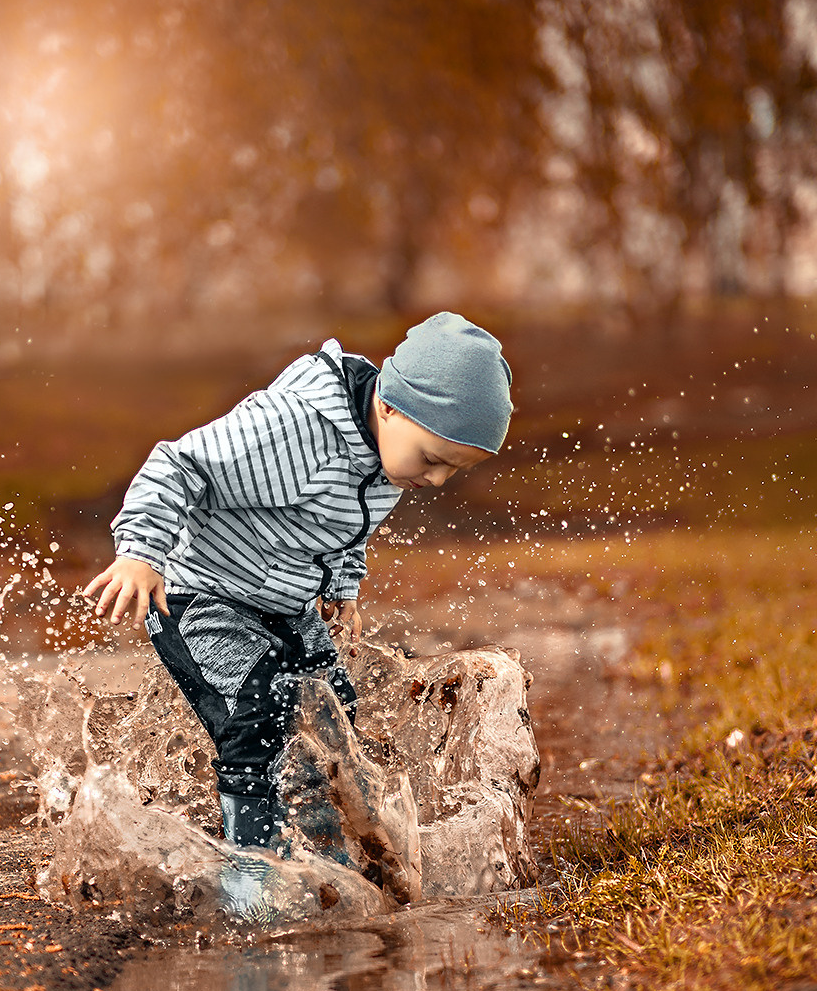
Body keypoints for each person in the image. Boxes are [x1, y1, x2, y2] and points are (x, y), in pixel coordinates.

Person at [83, 311, 513, 848]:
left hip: (284, 607)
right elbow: (178, 464)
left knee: (335, 714)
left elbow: (344, 525)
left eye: (453, 469)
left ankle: (324, 846)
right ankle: (253, 867)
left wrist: (343, 588)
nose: (436, 478)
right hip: (203, 596)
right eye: (433, 459)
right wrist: (141, 553)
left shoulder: (389, 456)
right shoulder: (293, 430)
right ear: (388, 404)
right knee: (261, 712)